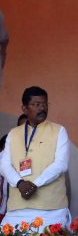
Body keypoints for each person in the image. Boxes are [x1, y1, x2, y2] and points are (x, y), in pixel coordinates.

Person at [1, 87, 70, 228]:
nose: (42, 108)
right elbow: (4, 165)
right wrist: (20, 184)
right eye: (36, 104)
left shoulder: (59, 130)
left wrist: (34, 184)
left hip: (51, 207)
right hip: (18, 207)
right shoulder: (13, 134)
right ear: (25, 109)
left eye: (45, 104)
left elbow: (61, 164)